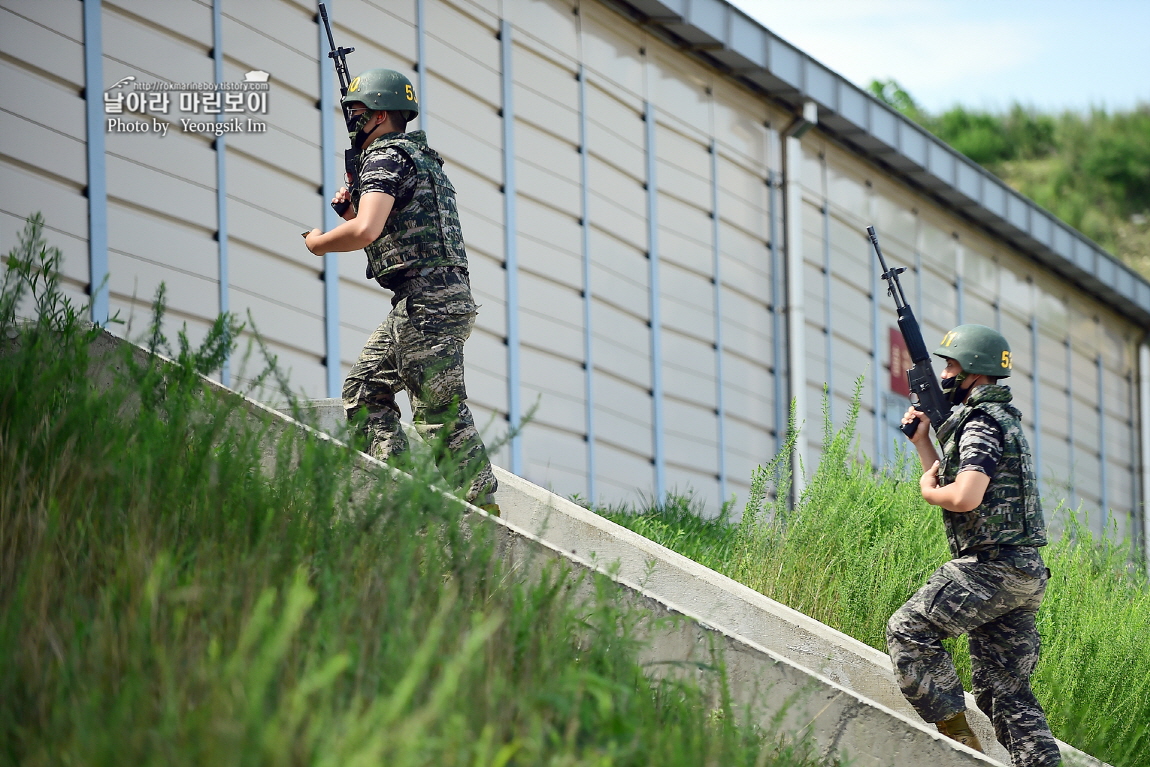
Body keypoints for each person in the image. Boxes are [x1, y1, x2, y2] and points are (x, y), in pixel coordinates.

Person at [302, 68, 498, 513]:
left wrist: (318, 242)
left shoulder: (386, 158)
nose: (350, 120)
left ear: (380, 114)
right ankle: (394, 484)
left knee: (438, 411)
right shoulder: (419, 158)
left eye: (357, 111)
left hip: (428, 304)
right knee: (365, 388)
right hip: (424, 301)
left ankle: (481, 511)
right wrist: (352, 208)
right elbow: (396, 228)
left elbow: (367, 231)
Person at [887, 324, 1060, 766]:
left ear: (974, 371)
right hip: (1023, 572)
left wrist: (927, 492)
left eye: (950, 364)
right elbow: (958, 479)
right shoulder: (997, 420)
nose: (944, 372)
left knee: (909, 631)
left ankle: (962, 749)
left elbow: (964, 496)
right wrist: (925, 444)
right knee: (1005, 691)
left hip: (990, 568)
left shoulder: (980, 424)